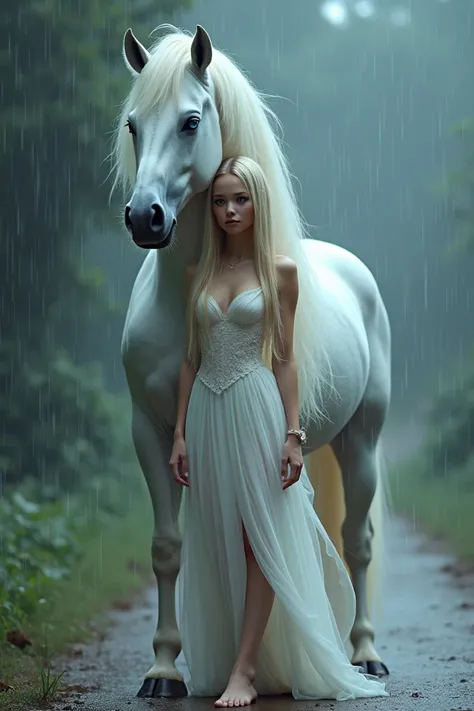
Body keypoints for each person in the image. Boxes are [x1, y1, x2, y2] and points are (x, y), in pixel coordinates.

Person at [170, 156, 388, 707]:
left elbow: (285, 360)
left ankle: (243, 669)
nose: (228, 211)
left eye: (239, 199)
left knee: (256, 536)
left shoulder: (280, 271)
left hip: (256, 406)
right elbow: (189, 361)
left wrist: (293, 434)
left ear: (258, 202)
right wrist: (178, 434)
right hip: (206, 411)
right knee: (214, 531)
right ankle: (239, 657)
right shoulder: (199, 271)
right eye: (219, 201)